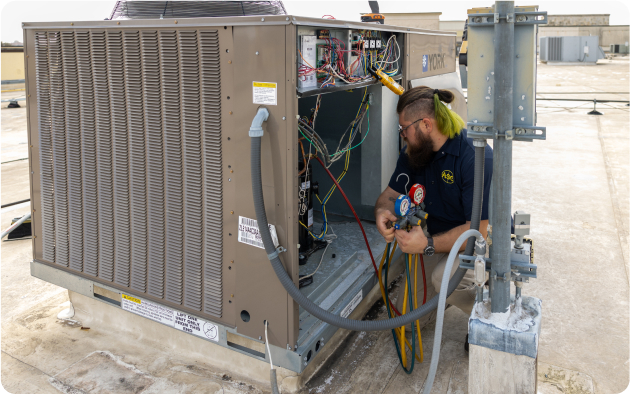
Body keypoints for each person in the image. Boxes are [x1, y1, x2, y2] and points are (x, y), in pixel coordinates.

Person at [374, 86, 493, 345]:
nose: (403, 135)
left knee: (443, 278)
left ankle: (488, 316)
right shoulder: (415, 152)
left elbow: (478, 231)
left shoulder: (473, 155)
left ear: (426, 124)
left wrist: (426, 245)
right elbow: (389, 196)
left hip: (475, 241)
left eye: (404, 129)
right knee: (407, 321)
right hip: (438, 235)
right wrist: (383, 211)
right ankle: (447, 294)